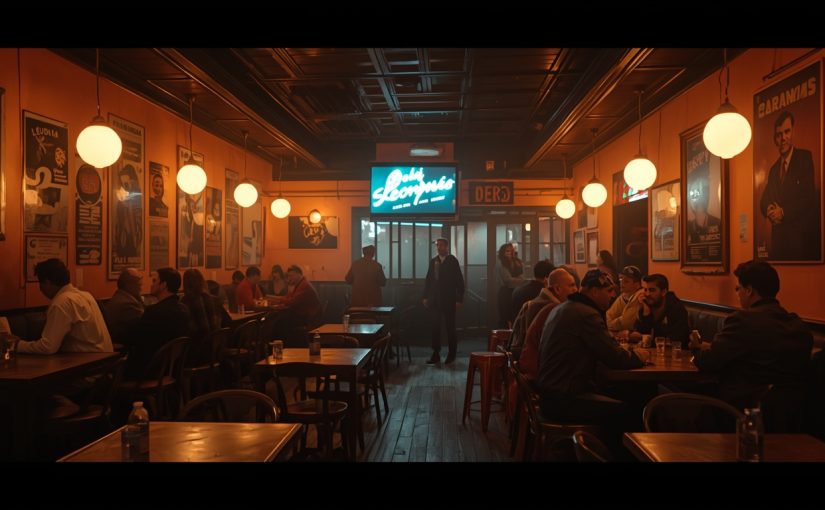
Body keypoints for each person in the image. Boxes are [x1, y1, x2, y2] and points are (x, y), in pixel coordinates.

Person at [690, 260, 812, 428]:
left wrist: (697, 349)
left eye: (738, 288)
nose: (737, 293)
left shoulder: (743, 320)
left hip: (742, 413)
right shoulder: (798, 326)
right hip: (793, 418)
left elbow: (708, 362)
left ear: (749, 291)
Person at [537, 270, 644, 453]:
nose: (613, 295)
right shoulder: (586, 314)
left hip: (550, 394)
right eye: (609, 290)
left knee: (623, 394)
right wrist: (640, 356)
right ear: (594, 291)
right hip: (564, 399)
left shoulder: (564, 307)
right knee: (628, 411)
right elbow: (615, 358)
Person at [759, 110, 820, 261]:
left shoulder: (805, 158)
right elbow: (764, 200)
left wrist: (783, 212)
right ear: (775, 139)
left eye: (787, 132)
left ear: (793, 132)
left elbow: (809, 198)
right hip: (778, 244)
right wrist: (769, 209)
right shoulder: (774, 169)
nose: (783, 138)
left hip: (800, 242)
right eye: (779, 134)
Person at [17, 258, 113, 354]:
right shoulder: (86, 295)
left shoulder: (62, 302)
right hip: (107, 357)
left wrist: (17, 345)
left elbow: (47, 347)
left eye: (40, 283)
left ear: (47, 283)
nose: (40, 289)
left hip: (90, 360)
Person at [127, 268, 189, 380]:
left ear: (163, 285)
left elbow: (136, 338)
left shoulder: (154, 312)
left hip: (150, 372)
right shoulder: (184, 309)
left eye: (154, 281)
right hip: (172, 370)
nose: (151, 284)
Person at [518, 268, 579, 381]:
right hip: (540, 373)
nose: (576, 289)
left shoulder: (536, 303)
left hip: (531, 368)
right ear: (557, 289)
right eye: (572, 285)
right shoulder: (553, 309)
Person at [422, 237, 465, 364]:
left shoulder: (452, 260)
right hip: (435, 299)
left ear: (446, 247)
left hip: (449, 298)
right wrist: (425, 296)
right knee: (435, 327)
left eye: (441, 245)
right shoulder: (434, 261)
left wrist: (459, 299)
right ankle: (435, 353)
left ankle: (452, 354)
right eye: (437, 245)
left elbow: (459, 280)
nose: (439, 247)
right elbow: (429, 280)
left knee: (450, 327)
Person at [633, 273, 690, 348]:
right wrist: (646, 313)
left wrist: (648, 340)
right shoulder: (645, 306)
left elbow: (677, 340)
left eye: (652, 290)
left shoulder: (676, 309)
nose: (647, 294)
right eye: (646, 290)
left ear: (663, 292)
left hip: (676, 353)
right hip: (650, 352)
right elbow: (639, 333)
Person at [181, 269, 220, 366]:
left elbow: (194, 330)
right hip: (212, 350)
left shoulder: (185, 301)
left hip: (195, 353)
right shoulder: (212, 299)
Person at [272, 265, 323, 335]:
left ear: (298, 274)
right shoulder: (301, 284)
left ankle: (285, 342)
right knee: (279, 321)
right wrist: (277, 299)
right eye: (288, 276)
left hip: (309, 319)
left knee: (279, 323)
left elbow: (292, 302)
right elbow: (290, 297)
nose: (289, 278)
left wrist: (278, 300)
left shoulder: (304, 285)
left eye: (291, 276)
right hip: (306, 316)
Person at [103, 268, 145, 347]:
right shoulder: (128, 304)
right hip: (124, 346)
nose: (141, 288)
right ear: (129, 285)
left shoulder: (119, 297)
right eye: (138, 284)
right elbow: (144, 326)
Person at [685, 165, 721, 245]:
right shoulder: (688, 227)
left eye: (701, 190)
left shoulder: (718, 223)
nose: (696, 197)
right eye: (692, 193)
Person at [114, 164, 142, 259]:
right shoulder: (121, 201)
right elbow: (118, 221)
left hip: (133, 237)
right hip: (123, 236)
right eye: (123, 184)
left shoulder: (137, 198)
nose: (124, 188)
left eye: (127, 184)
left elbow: (138, 220)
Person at [605, 265, 644, 333]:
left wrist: (608, 325)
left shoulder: (640, 296)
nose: (621, 283)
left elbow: (625, 323)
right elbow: (608, 315)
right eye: (621, 279)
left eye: (626, 281)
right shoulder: (624, 296)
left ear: (637, 284)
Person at [495, 242, 525, 328]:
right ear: (503, 252)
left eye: (511, 251)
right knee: (505, 317)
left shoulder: (517, 262)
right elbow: (508, 280)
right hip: (506, 292)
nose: (510, 253)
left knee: (515, 315)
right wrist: (520, 280)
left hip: (516, 291)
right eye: (507, 251)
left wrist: (518, 280)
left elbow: (522, 276)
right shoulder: (501, 263)